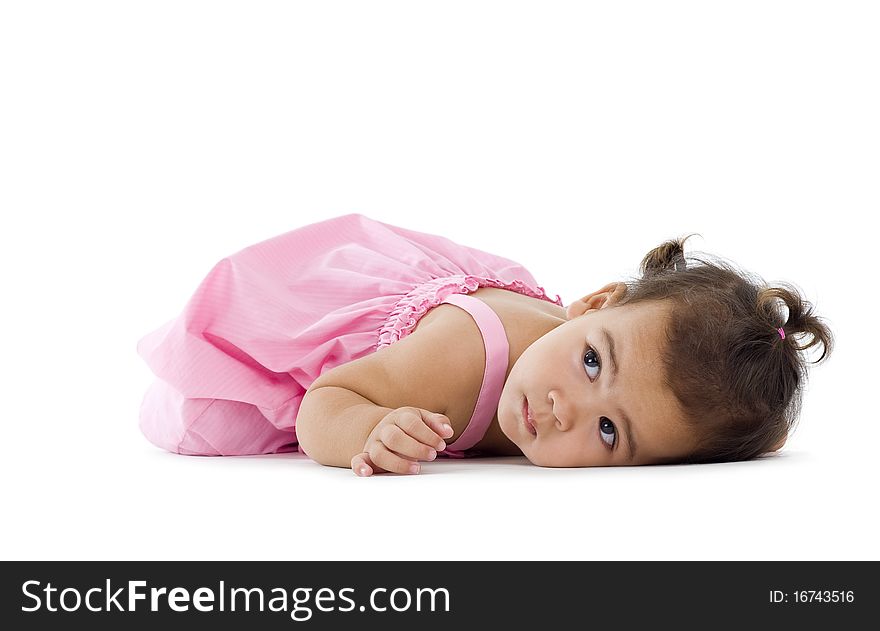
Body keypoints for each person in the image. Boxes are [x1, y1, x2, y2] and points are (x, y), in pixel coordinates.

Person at [136, 213, 834, 476]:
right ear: (591, 304)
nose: (564, 408)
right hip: (334, 343)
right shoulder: (462, 358)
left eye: (610, 429)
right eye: (593, 359)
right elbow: (328, 397)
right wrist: (367, 428)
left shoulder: (551, 391)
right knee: (195, 422)